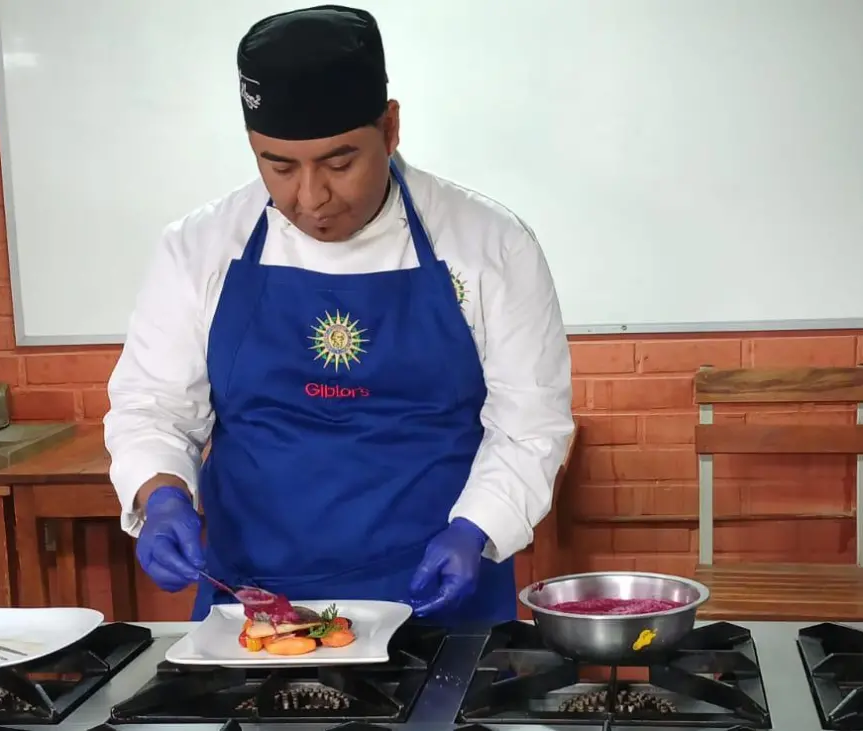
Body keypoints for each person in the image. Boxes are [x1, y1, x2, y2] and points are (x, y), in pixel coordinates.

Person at [105, 4, 574, 626]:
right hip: (255, 606)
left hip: (437, 591)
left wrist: (475, 529)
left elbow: (528, 423)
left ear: (391, 126)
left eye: (339, 161)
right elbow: (154, 406)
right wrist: (161, 493)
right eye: (278, 166)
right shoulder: (200, 247)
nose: (312, 197)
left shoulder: (490, 244)